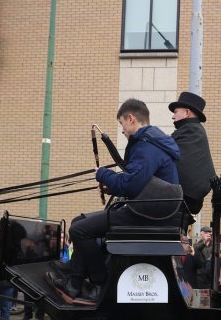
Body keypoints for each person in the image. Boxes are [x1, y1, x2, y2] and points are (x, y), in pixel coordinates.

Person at [48, 98, 183, 305]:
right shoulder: (154, 142)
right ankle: (74, 281)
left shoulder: (146, 145)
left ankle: (99, 285)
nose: (122, 130)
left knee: (79, 231)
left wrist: (102, 174)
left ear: (131, 118)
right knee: (77, 222)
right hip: (149, 210)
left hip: (146, 214)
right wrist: (112, 185)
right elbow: (139, 182)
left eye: (122, 124)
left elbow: (130, 185)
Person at [169, 91, 217, 219]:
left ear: (186, 112)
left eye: (176, 112)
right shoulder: (194, 130)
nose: (173, 117)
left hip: (182, 200)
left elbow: (169, 161)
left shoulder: (190, 130)